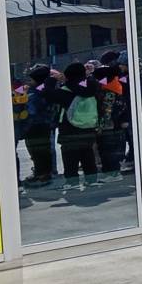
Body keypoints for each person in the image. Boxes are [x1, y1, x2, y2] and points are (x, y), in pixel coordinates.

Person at [59, 62, 102, 191]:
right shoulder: (93, 87)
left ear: (68, 76)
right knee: (88, 154)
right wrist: (88, 76)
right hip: (89, 127)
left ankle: (72, 182)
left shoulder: (64, 91)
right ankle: (91, 180)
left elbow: (45, 92)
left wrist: (51, 79)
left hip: (69, 129)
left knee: (70, 158)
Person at [21, 65, 60, 186]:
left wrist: (24, 106)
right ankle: (43, 173)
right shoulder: (44, 88)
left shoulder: (37, 92)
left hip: (35, 125)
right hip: (45, 124)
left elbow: (32, 110)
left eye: (31, 79)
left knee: (38, 151)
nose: (29, 81)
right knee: (42, 150)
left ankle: (42, 174)